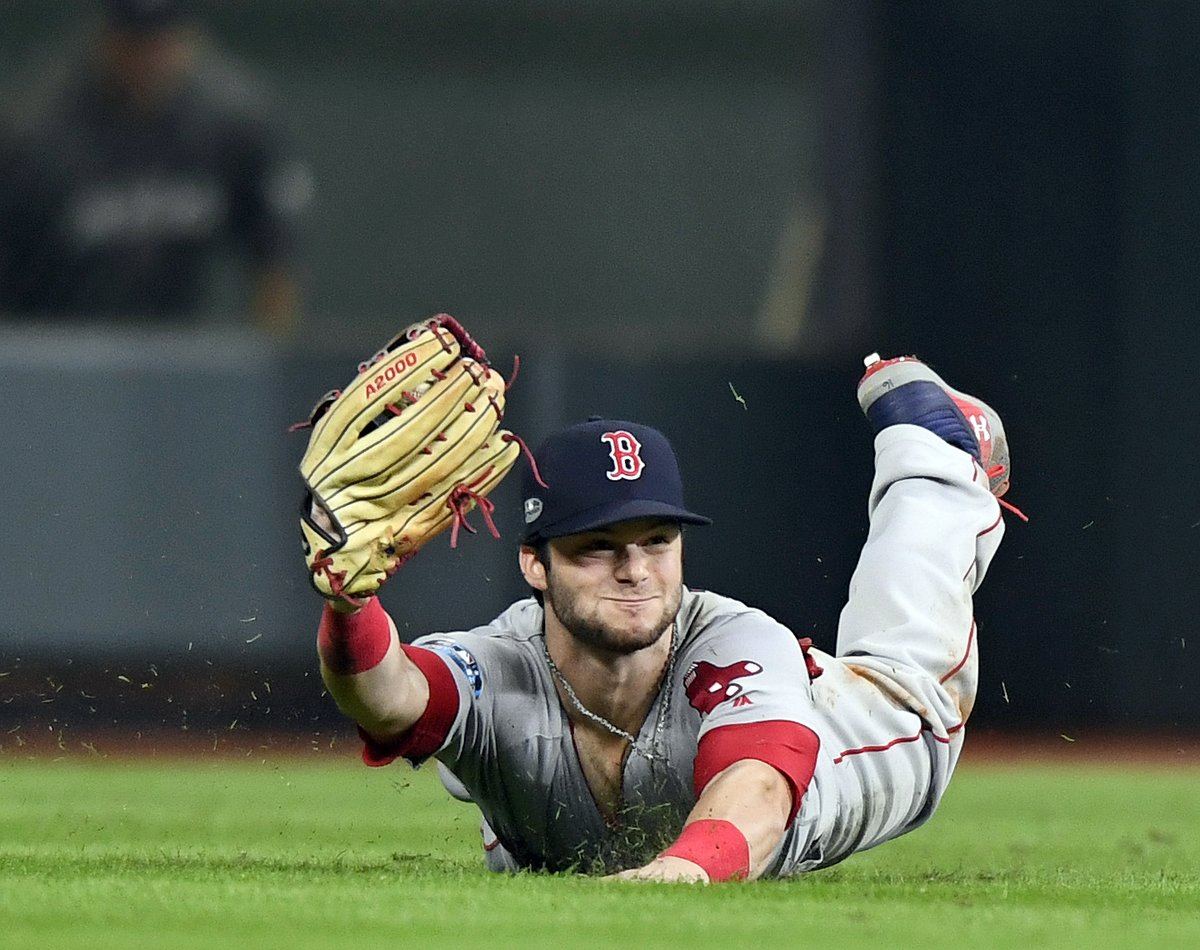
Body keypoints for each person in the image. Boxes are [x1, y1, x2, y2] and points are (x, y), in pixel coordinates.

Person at [316, 355, 1013, 881]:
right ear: (535, 563)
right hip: (601, 780)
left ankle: (936, 456)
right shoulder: (501, 663)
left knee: (906, 663)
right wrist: (349, 606)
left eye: (658, 539)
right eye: (598, 547)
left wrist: (680, 871)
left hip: (846, 741)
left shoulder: (734, 640)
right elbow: (390, 698)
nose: (636, 569)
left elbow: (760, 788)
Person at [0, 0, 309, 334]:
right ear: (105, 38)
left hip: (182, 354)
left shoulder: (232, 122)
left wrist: (270, 365)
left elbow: (274, 262)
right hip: (60, 351)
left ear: (192, 38)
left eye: (162, 42)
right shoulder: (38, 129)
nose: (150, 59)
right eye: (135, 43)